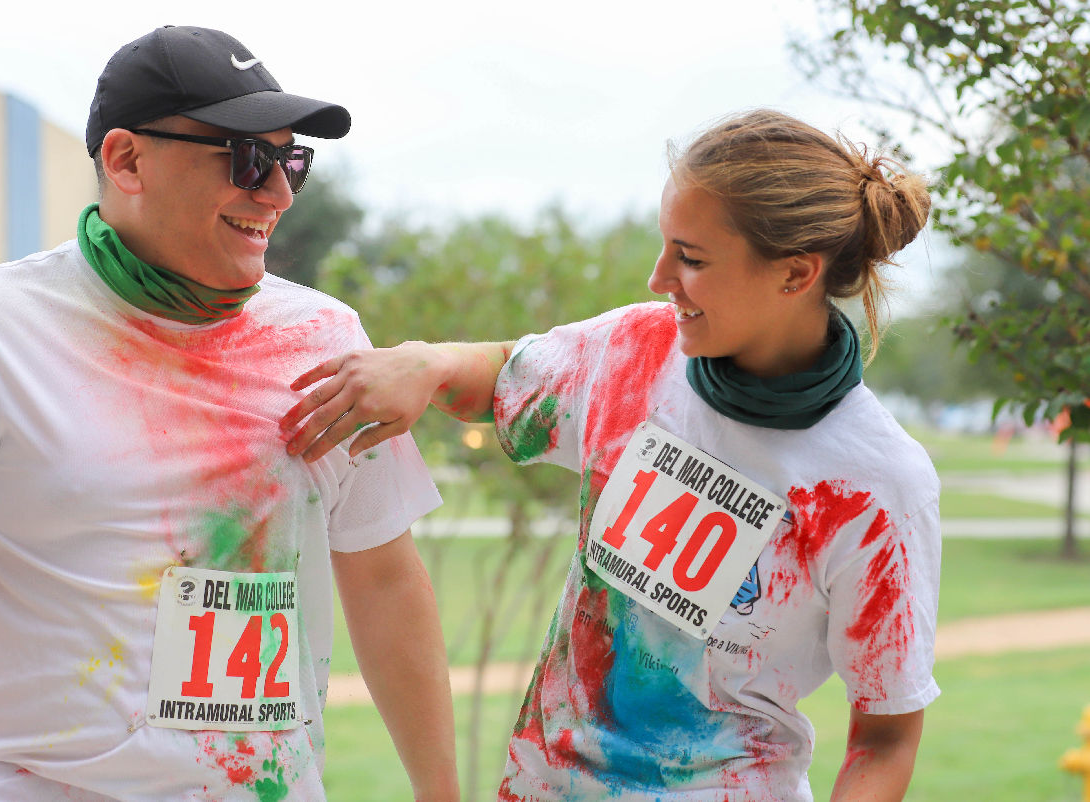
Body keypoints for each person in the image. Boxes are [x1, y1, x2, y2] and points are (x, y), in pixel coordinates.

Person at [281, 109, 941, 801]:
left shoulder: (877, 485)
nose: (660, 278)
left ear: (796, 275)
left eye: (691, 257)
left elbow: (885, 741)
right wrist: (425, 363)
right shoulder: (636, 352)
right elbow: (501, 378)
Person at [0, 25, 458, 802]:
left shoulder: (326, 341)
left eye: (292, 161)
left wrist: (441, 792)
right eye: (247, 159)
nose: (279, 193)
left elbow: (385, 578)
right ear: (127, 160)